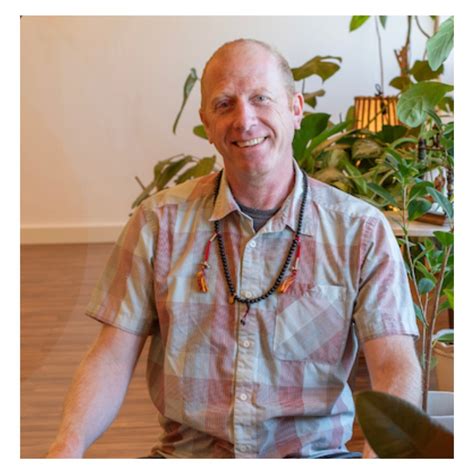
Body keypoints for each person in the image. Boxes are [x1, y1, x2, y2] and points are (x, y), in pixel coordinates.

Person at [46, 38, 421, 459]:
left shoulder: (361, 231)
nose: (244, 120)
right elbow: (112, 356)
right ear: (207, 124)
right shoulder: (157, 223)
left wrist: (382, 458)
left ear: (296, 109)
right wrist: (66, 447)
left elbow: (394, 365)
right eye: (224, 104)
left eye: (261, 98)